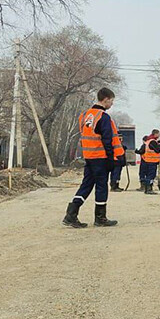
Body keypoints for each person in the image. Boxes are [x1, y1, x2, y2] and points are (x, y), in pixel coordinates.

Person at [62, 88, 120, 228]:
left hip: (88, 156)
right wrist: (111, 159)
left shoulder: (85, 115)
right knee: (101, 187)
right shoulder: (103, 117)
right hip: (100, 157)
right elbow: (107, 139)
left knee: (86, 185)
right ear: (105, 99)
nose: (112, 104)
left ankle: (71, 214)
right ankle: (100, 218)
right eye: (111, 101)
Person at [137, 129, 160, 194]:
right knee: (151, 175)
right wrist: (159, 144)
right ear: (155, 134)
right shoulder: (152, 142)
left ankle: (146, 188)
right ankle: (149, 189)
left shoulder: (147, 141)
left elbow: (142, 151)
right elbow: (157, 150)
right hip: (152, 161)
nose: (159, 135)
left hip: (147, 161)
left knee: (148, 175)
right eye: (158, 134)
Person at [108, 119, 128, 192]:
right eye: (120, 138)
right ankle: (114, 186)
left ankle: (116, 185)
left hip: (118, 161)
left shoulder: (119, 144)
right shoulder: (115, 143)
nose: (121, 139)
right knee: (115, 174)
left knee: (117, 174)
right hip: (116, 160)